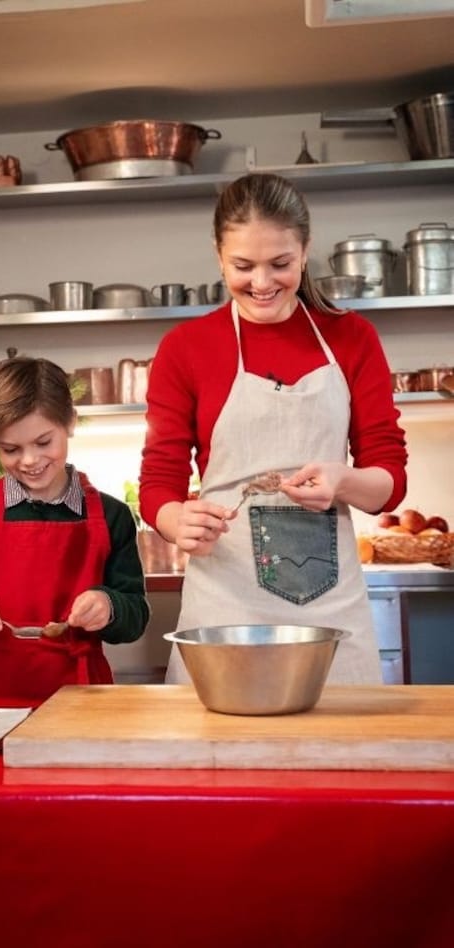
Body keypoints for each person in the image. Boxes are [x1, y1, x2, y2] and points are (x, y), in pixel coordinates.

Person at [139, 172, 407, 685]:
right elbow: (159, 482)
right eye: (243, 266)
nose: (262, 283)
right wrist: (177, 522)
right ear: (219, 255)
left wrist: (343, 481)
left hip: (330, 612)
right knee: (218, 757)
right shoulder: (186, 348)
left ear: (304, 252)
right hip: (224, 603)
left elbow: (388, 479)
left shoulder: (352, 338)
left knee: (338, 755)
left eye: (280, 264)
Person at [0, 355, 149, 704]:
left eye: (43, 442)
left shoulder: (112, 515)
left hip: (85, 700)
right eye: (10, 449)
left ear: (70, 422)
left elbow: (135, 616)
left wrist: (109, 606)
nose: (29, 461)